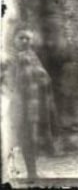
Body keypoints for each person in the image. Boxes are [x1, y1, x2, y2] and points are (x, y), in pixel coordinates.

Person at [0, 29, 56, 180]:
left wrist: (40, 78)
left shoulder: (32, 56)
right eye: (21, 38)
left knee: (28, 139)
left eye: (28, 38)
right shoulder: (6, 58)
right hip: (10, 104)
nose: (25, 41)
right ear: (14, 40)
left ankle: (32, 173)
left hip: (30, 106)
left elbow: (45, 78)